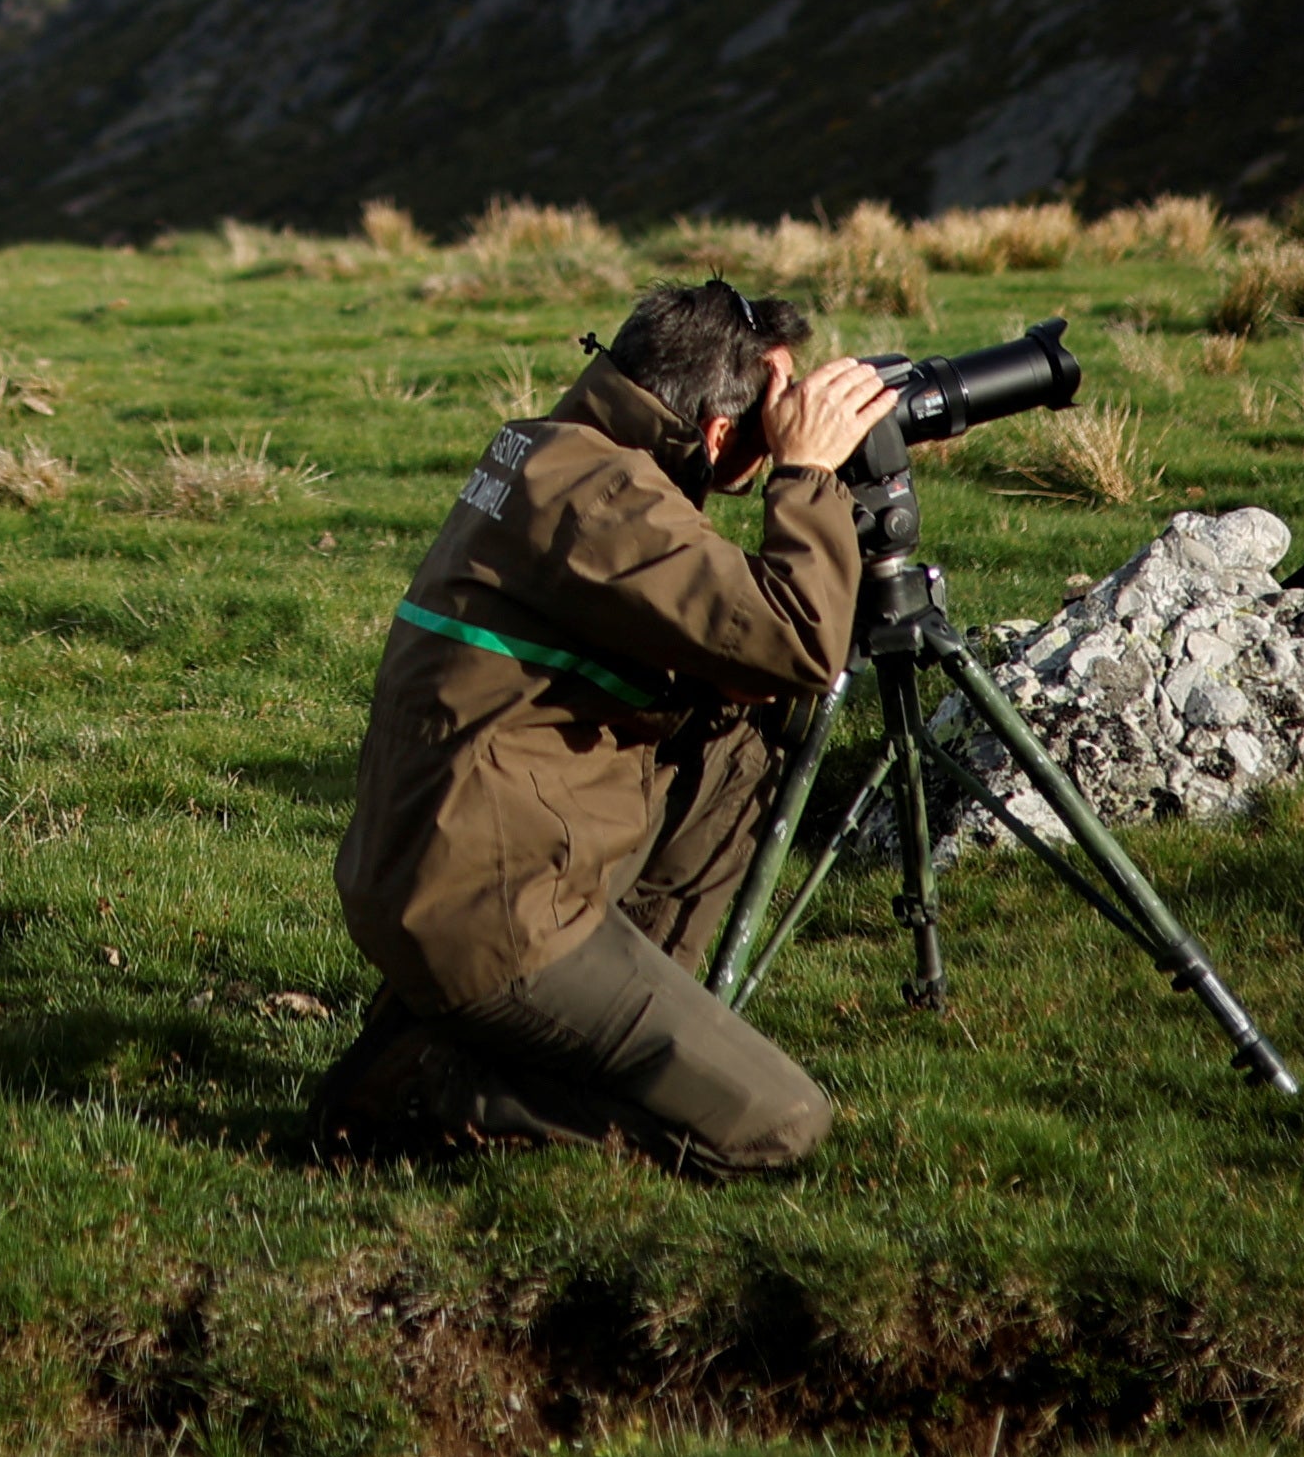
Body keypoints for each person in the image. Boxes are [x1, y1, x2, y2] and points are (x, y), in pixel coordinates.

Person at [314, 277, 893, 1174]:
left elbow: (738, 652)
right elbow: (798, 640)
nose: (786, 421)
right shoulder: (601, 500)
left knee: (740, 728)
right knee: (777, 1123)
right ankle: (443, 1091)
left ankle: (588, 1026)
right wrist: (808, 475)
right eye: (774, 406)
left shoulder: (561, 454)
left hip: (439, 864)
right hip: (487, 912)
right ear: (711, 429)